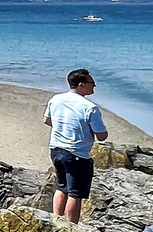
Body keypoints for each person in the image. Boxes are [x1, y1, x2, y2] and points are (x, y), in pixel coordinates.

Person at [43, 68, 109, 223]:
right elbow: (101, 135)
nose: (94, 86)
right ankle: (71, 226)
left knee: (61, 187)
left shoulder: (56, 99)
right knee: (75, 193)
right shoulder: (89, 107)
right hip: (76, 153)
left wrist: (63, 126)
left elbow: (47, 120)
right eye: (91, 83)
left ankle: (56, 220)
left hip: (56, 149)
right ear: (81, 85)